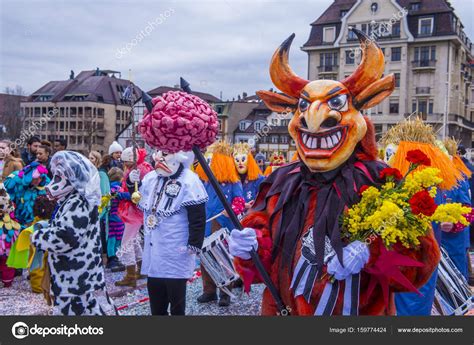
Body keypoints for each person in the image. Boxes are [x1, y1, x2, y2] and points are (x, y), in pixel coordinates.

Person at [227, 29, 439, 315]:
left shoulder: (384, 179)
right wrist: (249, 248)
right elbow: (264, 250)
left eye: (336, 104)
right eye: (303, 106)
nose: (316, 118)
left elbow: (421, 262)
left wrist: (371, 252)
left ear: (360, 117)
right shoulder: (280, 180)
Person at [379, 119, 463, 316]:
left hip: (415, 261)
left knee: (411, 307)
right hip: (406, 263)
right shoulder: (409, 186)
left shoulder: (423, 188)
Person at [30, 151, 113, 315]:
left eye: (60, 178)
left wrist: (37, 237)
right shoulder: (73, 200)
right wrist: (48, 225)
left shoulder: (78, 202)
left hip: (75, 279)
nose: (53, 183)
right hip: (76, 278)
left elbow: (65, 237)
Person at [129, 150, 207, 315]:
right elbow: (137, 198)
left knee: (177, 305)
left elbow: (198, 217)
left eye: (166, 153)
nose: (160, 157)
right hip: (154, 251)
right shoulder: (151, 178)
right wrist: (131, 183)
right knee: (157, 304)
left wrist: (194, 244)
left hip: (176, 252)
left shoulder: (189, 180)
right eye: (159, 152)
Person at [195, 142, 245, 307]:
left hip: (223, 225)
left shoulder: (233, 182)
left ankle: (225, 292)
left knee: (223, 258)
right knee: (206, 258)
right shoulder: (205, 182)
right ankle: (209, 291)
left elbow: (239, 202)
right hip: (207, 223)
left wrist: (231, 210)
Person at [115, 147, 153, 287]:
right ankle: (141, 267)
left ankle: (131, 275)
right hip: (135, 210)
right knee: (134, 239)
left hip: (134, 210)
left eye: (126, 163)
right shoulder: (141, 168)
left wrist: (126, 194)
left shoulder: (140, 169)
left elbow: (139, 193)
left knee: (126, 241)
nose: (124, 165)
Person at [232, 143, 264, 210]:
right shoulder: (230, 181)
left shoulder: (259, 179)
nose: (240, 163)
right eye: (237, 160)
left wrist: (255, 205)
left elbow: (264, 201)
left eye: (243, 159)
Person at [106, 167, 127, 271]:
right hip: (118, 218)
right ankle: (116, 258)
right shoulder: (118, 188)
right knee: (119, 238)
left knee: (111, 238)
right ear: (121, 178)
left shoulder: (107, 187)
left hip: (110, 217)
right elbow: (125, 196)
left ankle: (111, 258)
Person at [0, 184, 21, 287]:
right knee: (6, 259)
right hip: (7, 231)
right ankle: (7, 281)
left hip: (5, 230)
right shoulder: (8, 199)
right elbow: (12, 212)